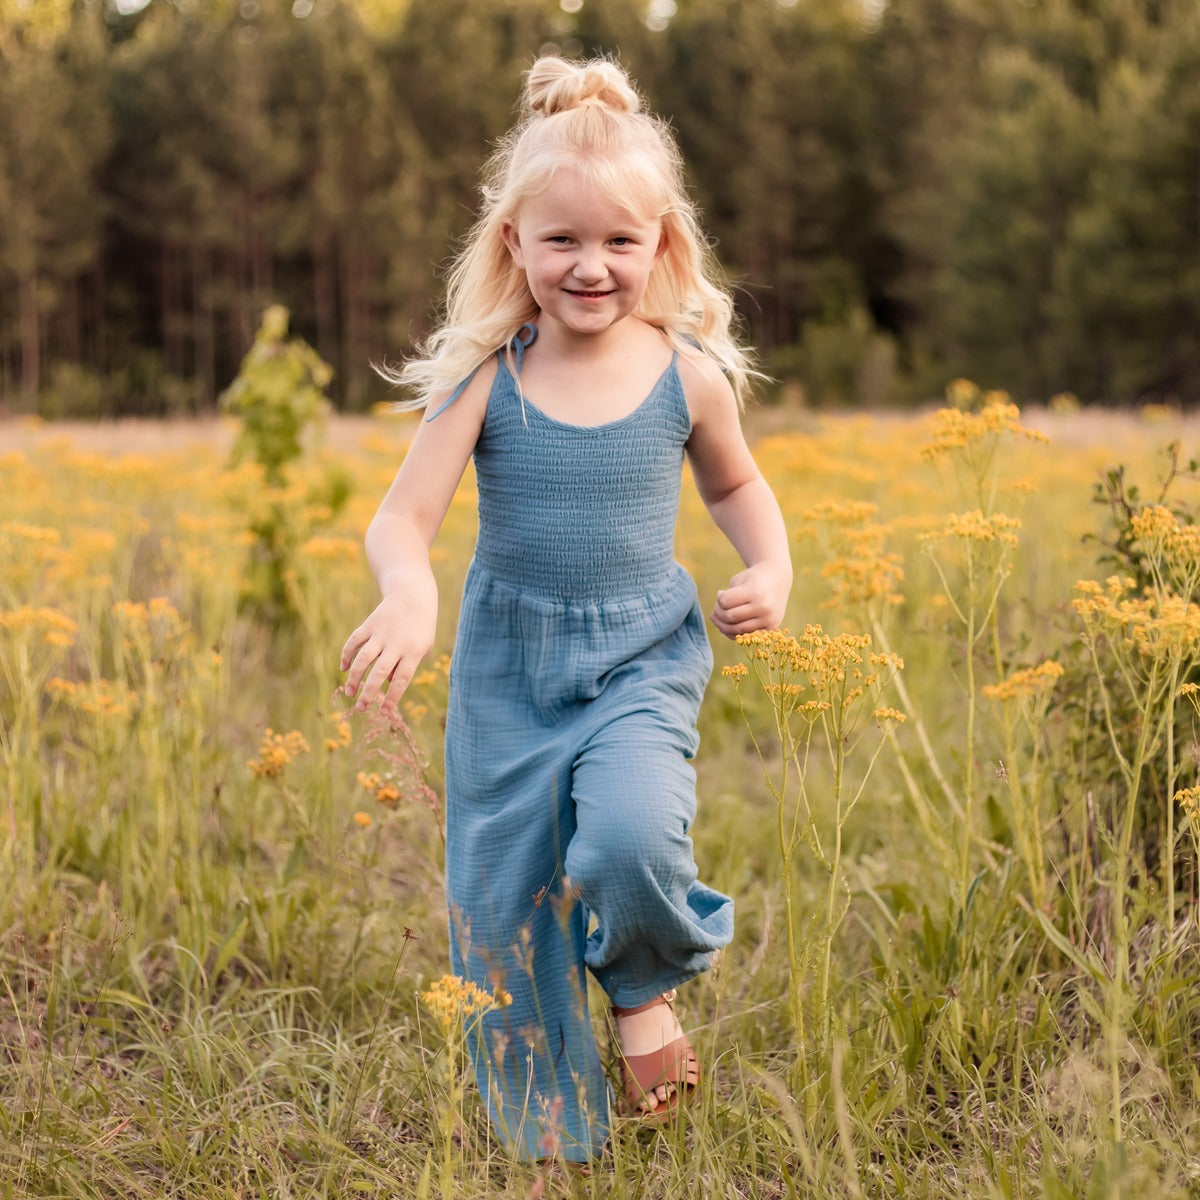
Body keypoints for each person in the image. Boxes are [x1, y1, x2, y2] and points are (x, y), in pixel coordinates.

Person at [339, 55, 792, 1164]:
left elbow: (735, 485)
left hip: (642, 657)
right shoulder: (490, 381)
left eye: (619, 242)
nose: (591, 267)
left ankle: (642, 986)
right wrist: (410, 593)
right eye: (562, 241)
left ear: (662, 244)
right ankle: (551, 1140)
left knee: (633, 833)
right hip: (508, 666)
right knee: (504, 908)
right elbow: (401, 521)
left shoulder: (688, 376)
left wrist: (770, 566)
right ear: (514, 245)